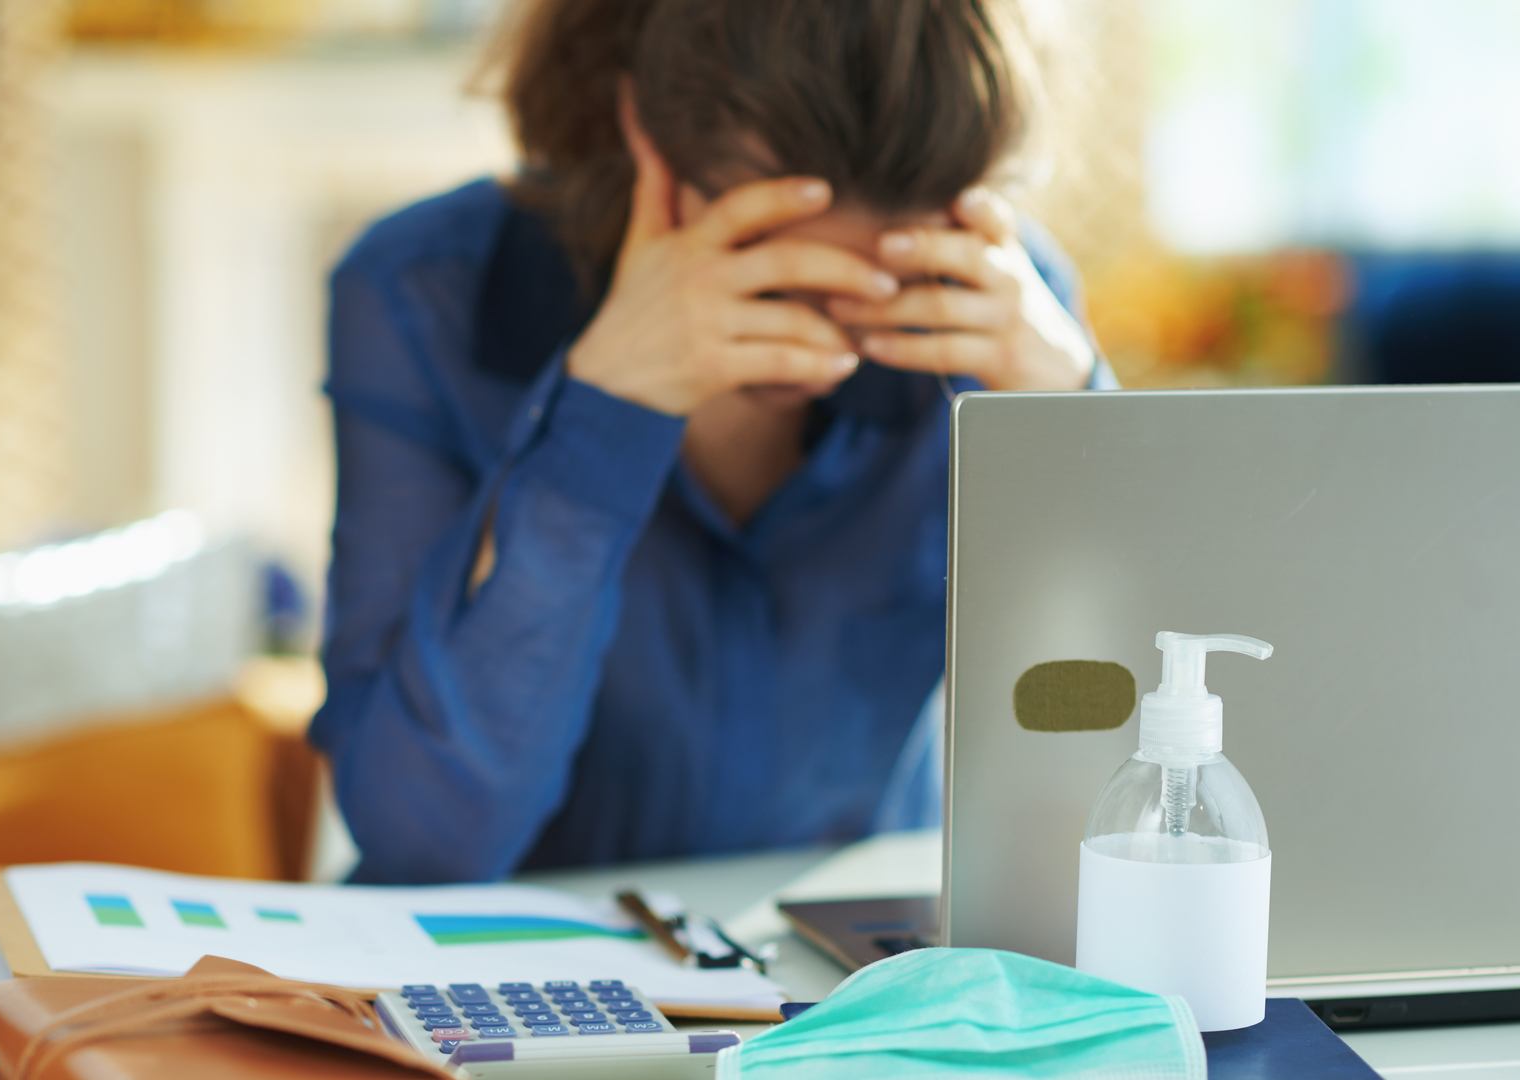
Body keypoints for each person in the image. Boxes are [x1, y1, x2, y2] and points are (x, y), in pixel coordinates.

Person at [311, 0, 1116, 885]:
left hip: (857, 990)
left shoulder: (1003, 313)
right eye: (776, 277)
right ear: (641, 133)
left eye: (884, 283)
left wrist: (1081, 436)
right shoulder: (423, 291)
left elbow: (1138, 773)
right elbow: (427, 839)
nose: (829, 341)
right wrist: (600, 416)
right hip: (518, 978)